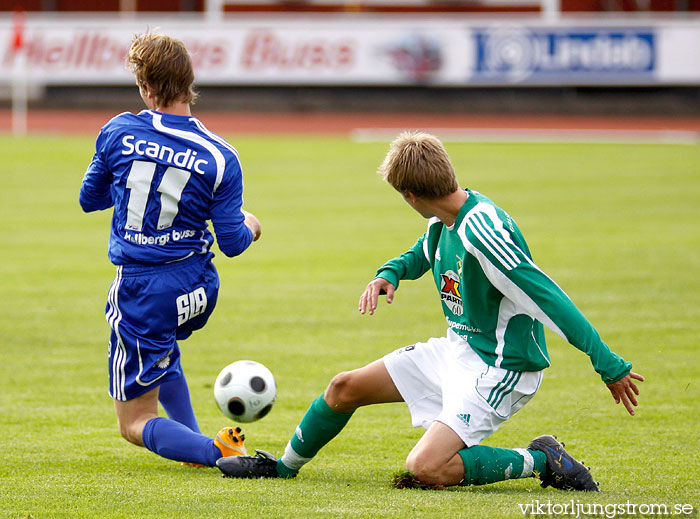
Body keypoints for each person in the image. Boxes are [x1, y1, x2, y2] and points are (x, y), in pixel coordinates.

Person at [217, 131, 643, 490]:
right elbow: (424, 251)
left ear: (411, 195)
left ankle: (541, 458)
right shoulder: (444, 216)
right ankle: (281, 468)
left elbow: (549, 297)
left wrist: (608, 365)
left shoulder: (484, 233)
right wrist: (392, 272)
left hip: (500, 367)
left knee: (427, 467)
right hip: (457, 352)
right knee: (343, 387)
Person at [79, 32, 261, 467]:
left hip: (143, 289)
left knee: (134, 423)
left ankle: (216, 452)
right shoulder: (220, 155)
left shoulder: (118, 130)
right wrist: (251, 225)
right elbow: (233, 242)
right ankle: (194, 446)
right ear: (190, 82)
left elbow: (89, 199)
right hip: (198, 285)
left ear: (145, 88)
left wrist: (131, 183)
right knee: (164, 349)